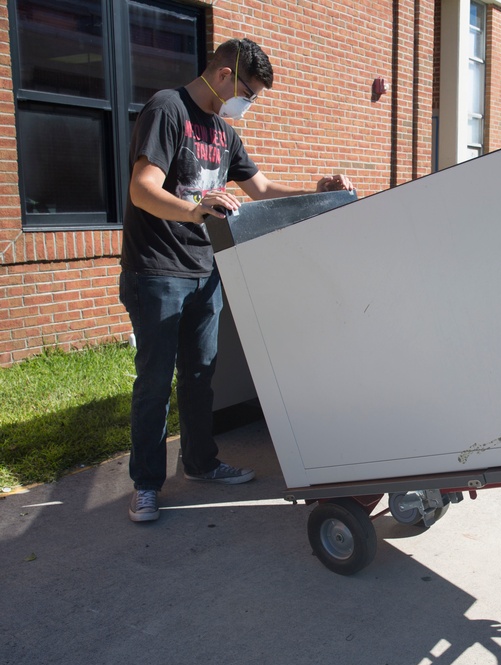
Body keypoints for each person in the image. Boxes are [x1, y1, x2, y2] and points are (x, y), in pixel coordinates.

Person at [121, 37, 354, 523]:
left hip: (206, 270)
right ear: (225, 75)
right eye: (249, 92)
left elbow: (262, 189)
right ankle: (146, 484)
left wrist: (316, 191)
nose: (248, 103)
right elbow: (142, 189)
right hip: (158, 270)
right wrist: (194, 209)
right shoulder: (168, 109)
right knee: (155, 382)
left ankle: (201, 464)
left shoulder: (225, 134)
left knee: (201, 376)